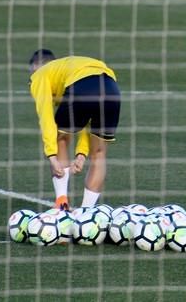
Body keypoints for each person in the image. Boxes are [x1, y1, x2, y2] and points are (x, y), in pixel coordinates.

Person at [28, 49, 121, 210]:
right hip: (112, 89)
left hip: (82, 88)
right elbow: (86, 117)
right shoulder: (70, 67)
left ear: (36, 66)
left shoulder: (39, 75)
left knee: (61, 138)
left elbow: (46, 117)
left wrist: (51, 155)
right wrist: (81, 154)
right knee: (99, 153)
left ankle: (61, 205)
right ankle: (85, 215)